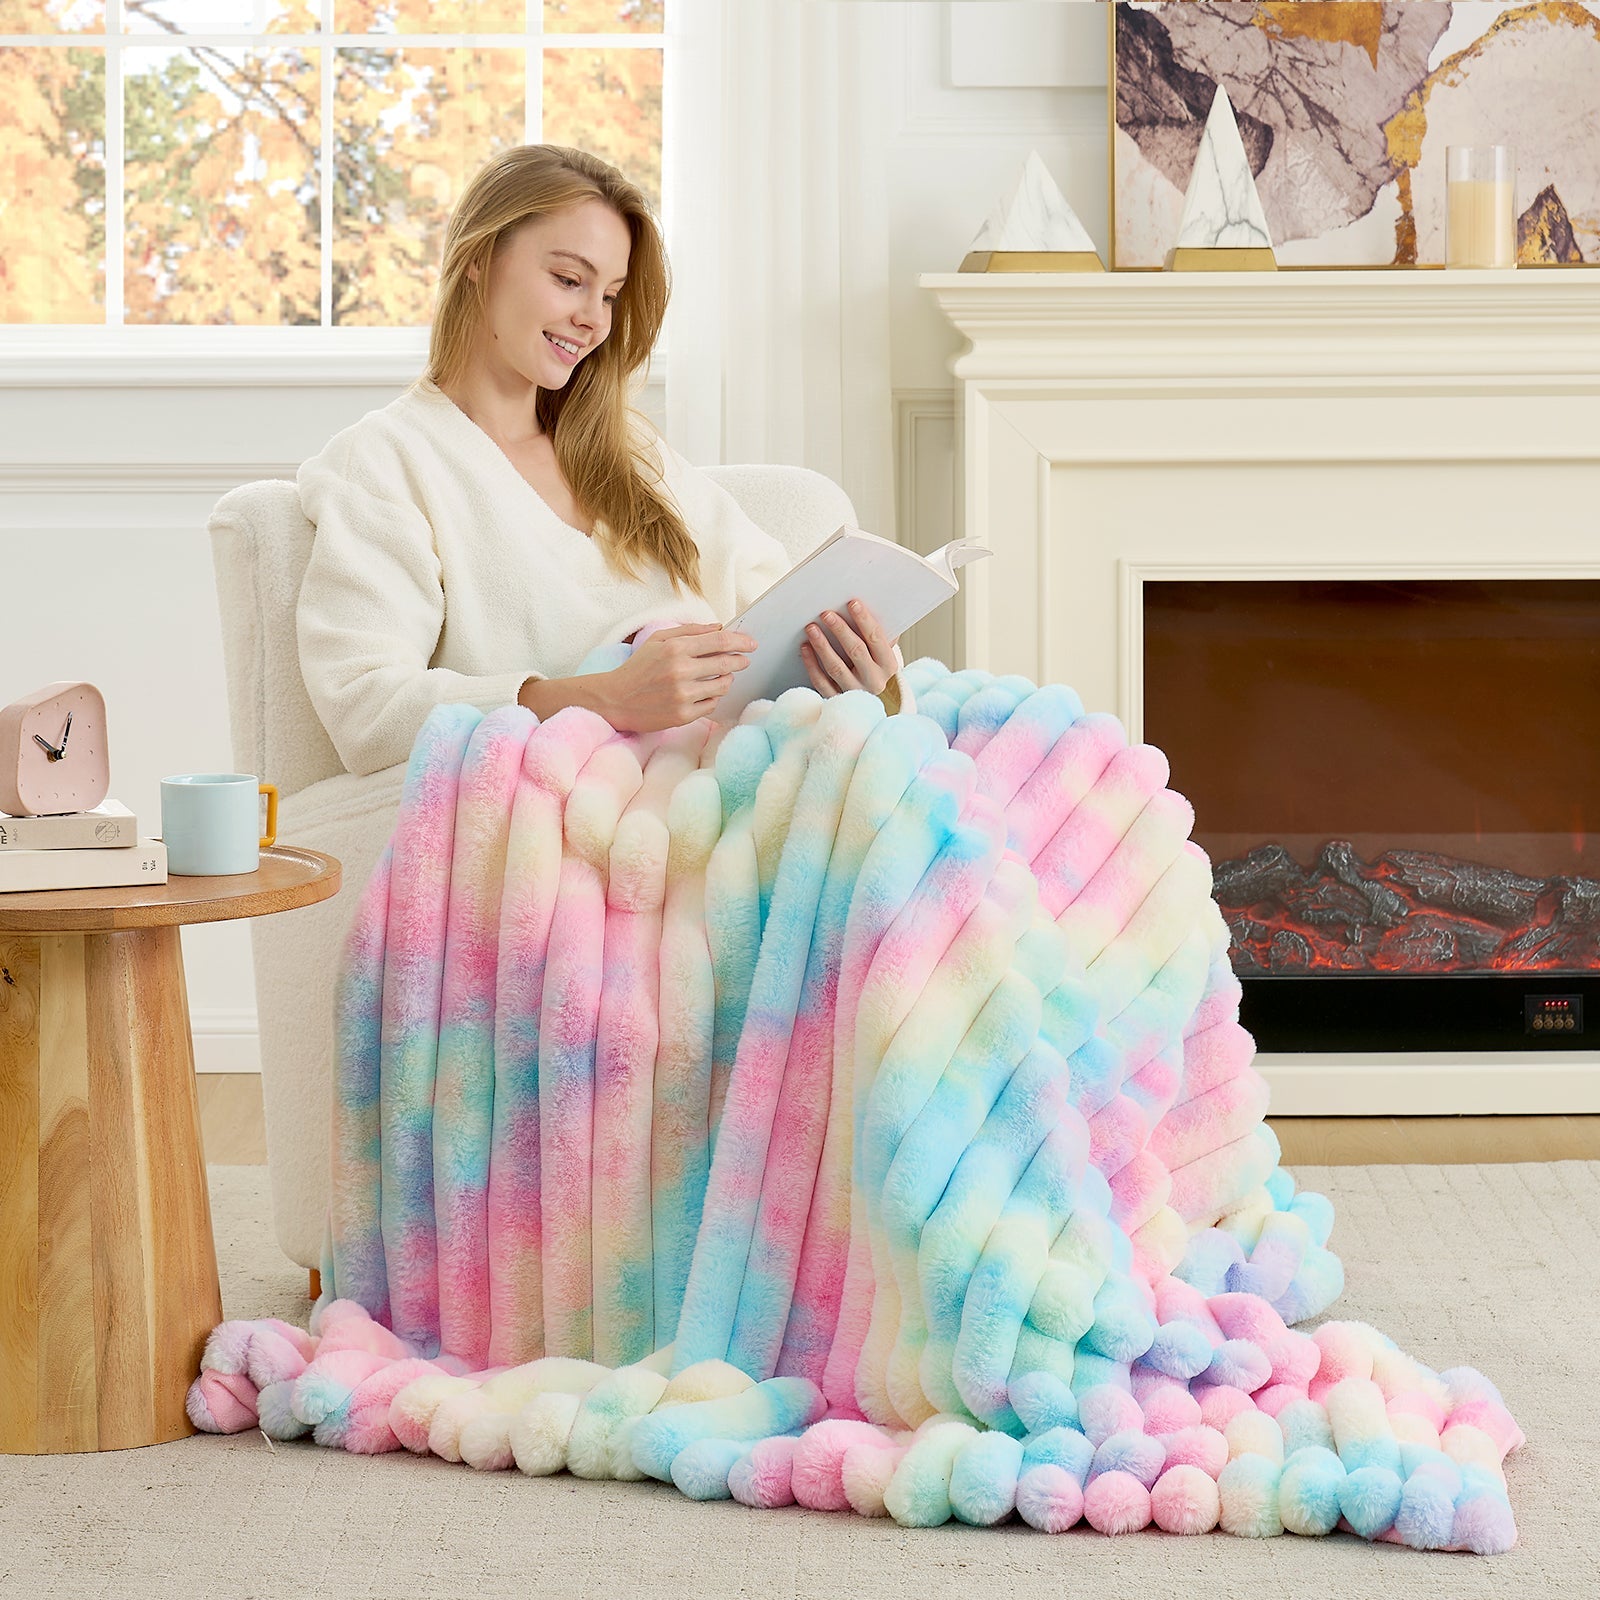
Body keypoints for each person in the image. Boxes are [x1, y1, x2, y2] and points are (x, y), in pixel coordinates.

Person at [296, 144, 907, 779]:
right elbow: (366, 707)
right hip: (588, 799)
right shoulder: (388, 461)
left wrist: (860, 678)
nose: (593, 320)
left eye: (611, 295)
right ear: (479, 259)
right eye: (569, 280)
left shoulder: (630, 451)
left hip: (730, 771)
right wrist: (603, 700)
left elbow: (775, 605)